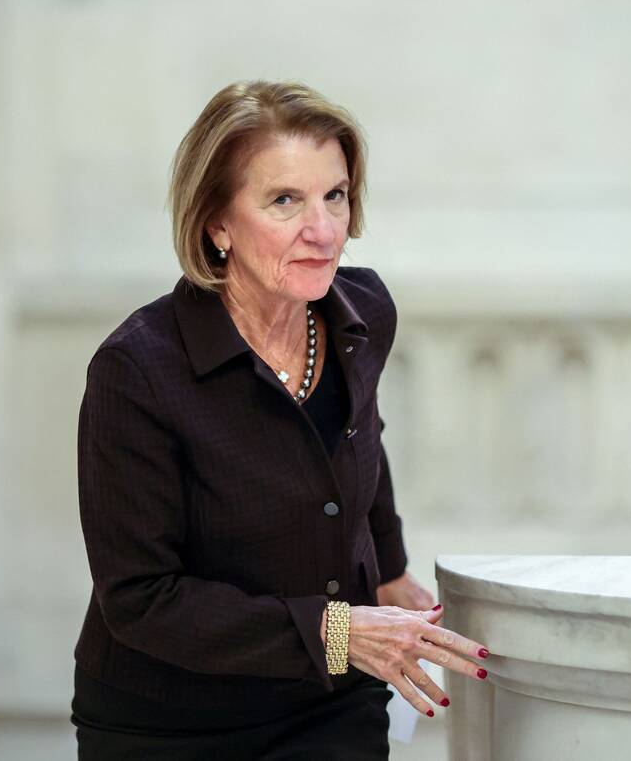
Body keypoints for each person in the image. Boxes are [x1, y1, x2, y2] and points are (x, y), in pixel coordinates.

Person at [69, 80, 491, 759]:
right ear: (217, 222)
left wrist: (387, 567)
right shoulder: (137, 369)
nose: (322, 231)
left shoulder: (362, 313)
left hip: (331, 701)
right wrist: (337, 631)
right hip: (172, 722)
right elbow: (141, 598)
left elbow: (361, 438)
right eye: (284, 200)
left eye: (335, 194)